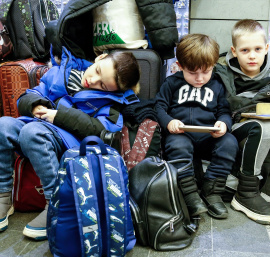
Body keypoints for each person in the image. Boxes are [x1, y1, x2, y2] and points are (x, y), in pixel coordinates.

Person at [0, 46, 140, 240]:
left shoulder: (113, 104)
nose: (92, 81)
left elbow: (100, 130)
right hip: (38, 122)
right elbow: (30, 93)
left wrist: (59, 116)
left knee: (32, 133)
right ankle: (3, 197)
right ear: (100, 57)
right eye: (97, 71)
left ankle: (55, 205)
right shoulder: (62, 72)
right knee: (3, 126)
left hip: (68, 140)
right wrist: (35, 104)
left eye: (103, 86)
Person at [155, 33, 239, 219]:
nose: (200, 78)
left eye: (206, 71)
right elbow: (159, 107)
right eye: (192, 73)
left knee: (230, 142)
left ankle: (213, 191)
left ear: (214, 66)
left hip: (210, 137)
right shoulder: (172, 83)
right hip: (181, 135)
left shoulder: (217, 85)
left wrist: (223, 124)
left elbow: (225, 112)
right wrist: (169, 122)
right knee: (177, 145)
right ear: (180, 66)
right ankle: (190, 194)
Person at [215, 19, 270, 224]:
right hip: (233, 128)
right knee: (263, 126)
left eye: (257, 49)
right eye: (245, 50)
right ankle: (246, 193)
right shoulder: (220, 72)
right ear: (234, 51)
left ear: (266, 48)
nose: (252, 55)